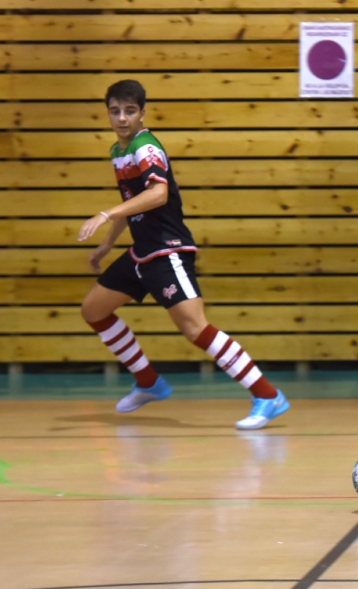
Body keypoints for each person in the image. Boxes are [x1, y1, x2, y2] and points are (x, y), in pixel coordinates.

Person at [77, 79, 289, 430]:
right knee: (94, 310)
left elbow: (158, 194)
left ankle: (268, 395)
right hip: (142, 252)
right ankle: (148, 382)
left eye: (129, 111)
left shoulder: (146, 147)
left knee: (194, 328)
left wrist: (105, 215)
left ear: (142, 114)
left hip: (167, 249)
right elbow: (134, 201)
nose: (122, 118)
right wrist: (108, 243)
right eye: (115, 111)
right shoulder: (118, 151)